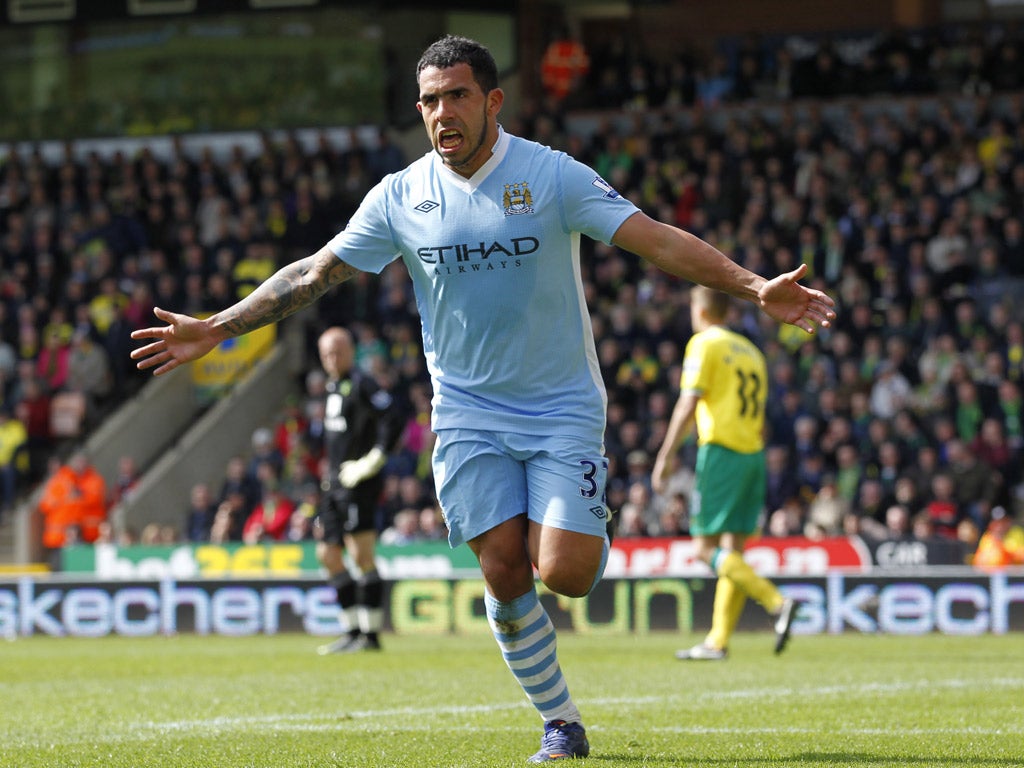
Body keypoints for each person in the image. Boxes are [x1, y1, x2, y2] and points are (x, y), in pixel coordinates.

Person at [130, 35, 834, 763]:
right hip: (467, 411)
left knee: (564, 572)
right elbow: (314, 274)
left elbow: (653, 240)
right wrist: (218, 326)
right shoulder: (401, 196)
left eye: (458, 95)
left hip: (562, 405)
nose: (443, 113)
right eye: (431, 100)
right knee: (500, 565)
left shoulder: (550, 175)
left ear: (493, 101)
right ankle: (560, 722)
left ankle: (587, 516)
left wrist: (754, 286)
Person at [652, 286, 800, 662]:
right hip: (753, 455)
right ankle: (717, 641)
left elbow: (689, 400)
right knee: (732, 550)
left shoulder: (704, 343)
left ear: (699, 311)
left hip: (721, 453)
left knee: (704, 548)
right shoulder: (752, 352)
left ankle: (776, 601)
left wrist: (666, 455)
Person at [309, 326, 403, 654]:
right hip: (333, 484)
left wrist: (374, 459)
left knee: (362, 555)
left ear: (350, 351)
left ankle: (371, 636)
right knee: (327, 554)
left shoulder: (364, 383)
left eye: (337, 352)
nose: (332, 359)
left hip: (358, 482)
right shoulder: (333, 387)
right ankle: (351, 632)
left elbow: (394, 416)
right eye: (326, 354)